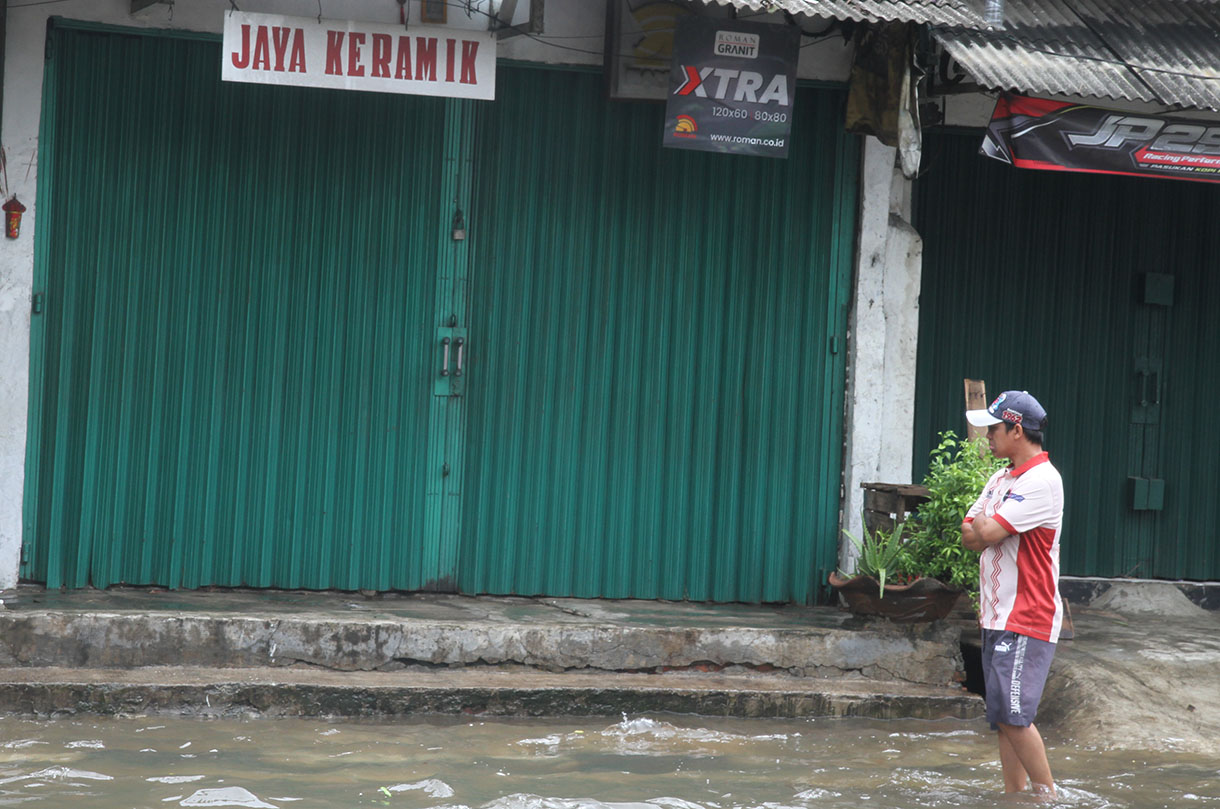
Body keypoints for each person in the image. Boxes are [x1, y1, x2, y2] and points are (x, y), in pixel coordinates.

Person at [961, 390, 1064, 799]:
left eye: (993, 428)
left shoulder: (1042, 481)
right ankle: (1013, 799)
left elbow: (984, 531)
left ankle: (1048, 797)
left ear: (1016, 430)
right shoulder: (1001, 477)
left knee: (1014, 716)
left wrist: (988, 525)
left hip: (1026, 615)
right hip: (997, 615)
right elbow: (969, 531)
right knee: (1003, 717)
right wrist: (988, 525)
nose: (986, 435)